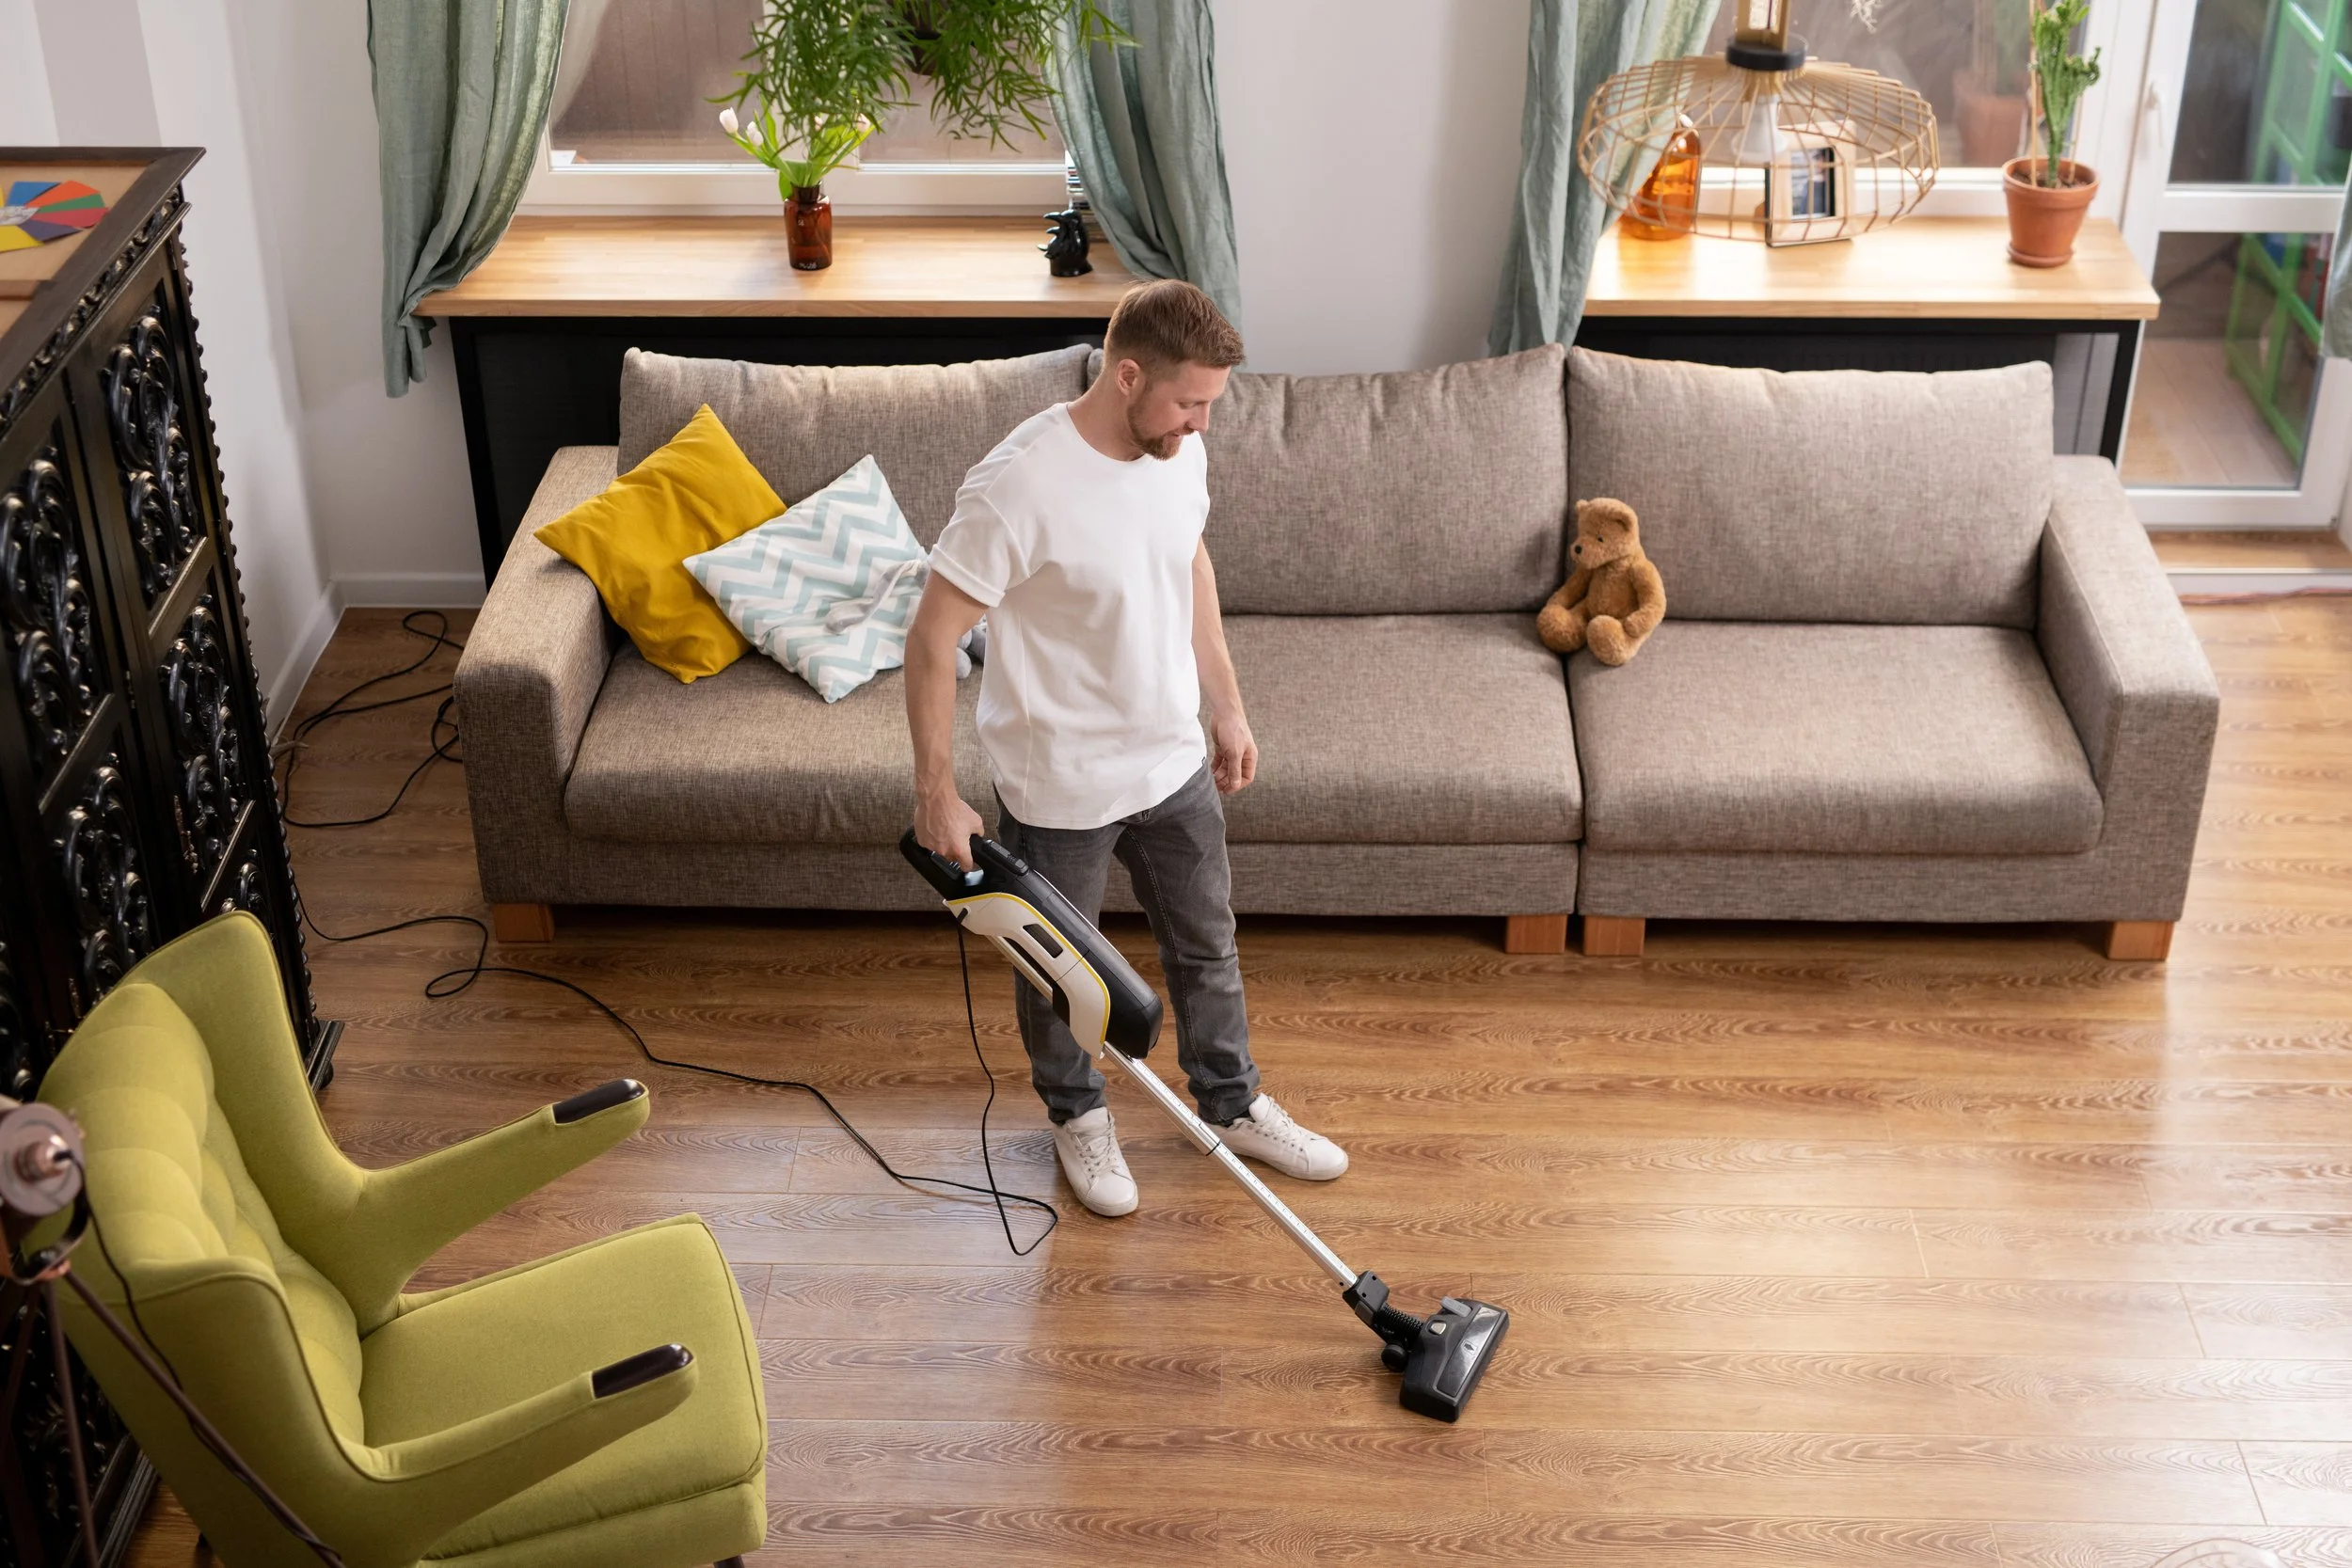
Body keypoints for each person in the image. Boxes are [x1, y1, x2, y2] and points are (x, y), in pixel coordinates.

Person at [904, 279, 1347, 1218]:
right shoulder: (1020, 481)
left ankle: (1230, 1102)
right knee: (1061, 969)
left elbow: (1187, 558)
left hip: (1169, 757)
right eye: (1190, 402)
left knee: (1206, 942)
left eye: (1210, 406)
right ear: (1127, 374)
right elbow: (933, 634)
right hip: (1058, 777)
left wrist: (1225, 706)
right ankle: (1077, 1114)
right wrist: (936, 794)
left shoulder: (1175, 450)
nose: (1201, 424)